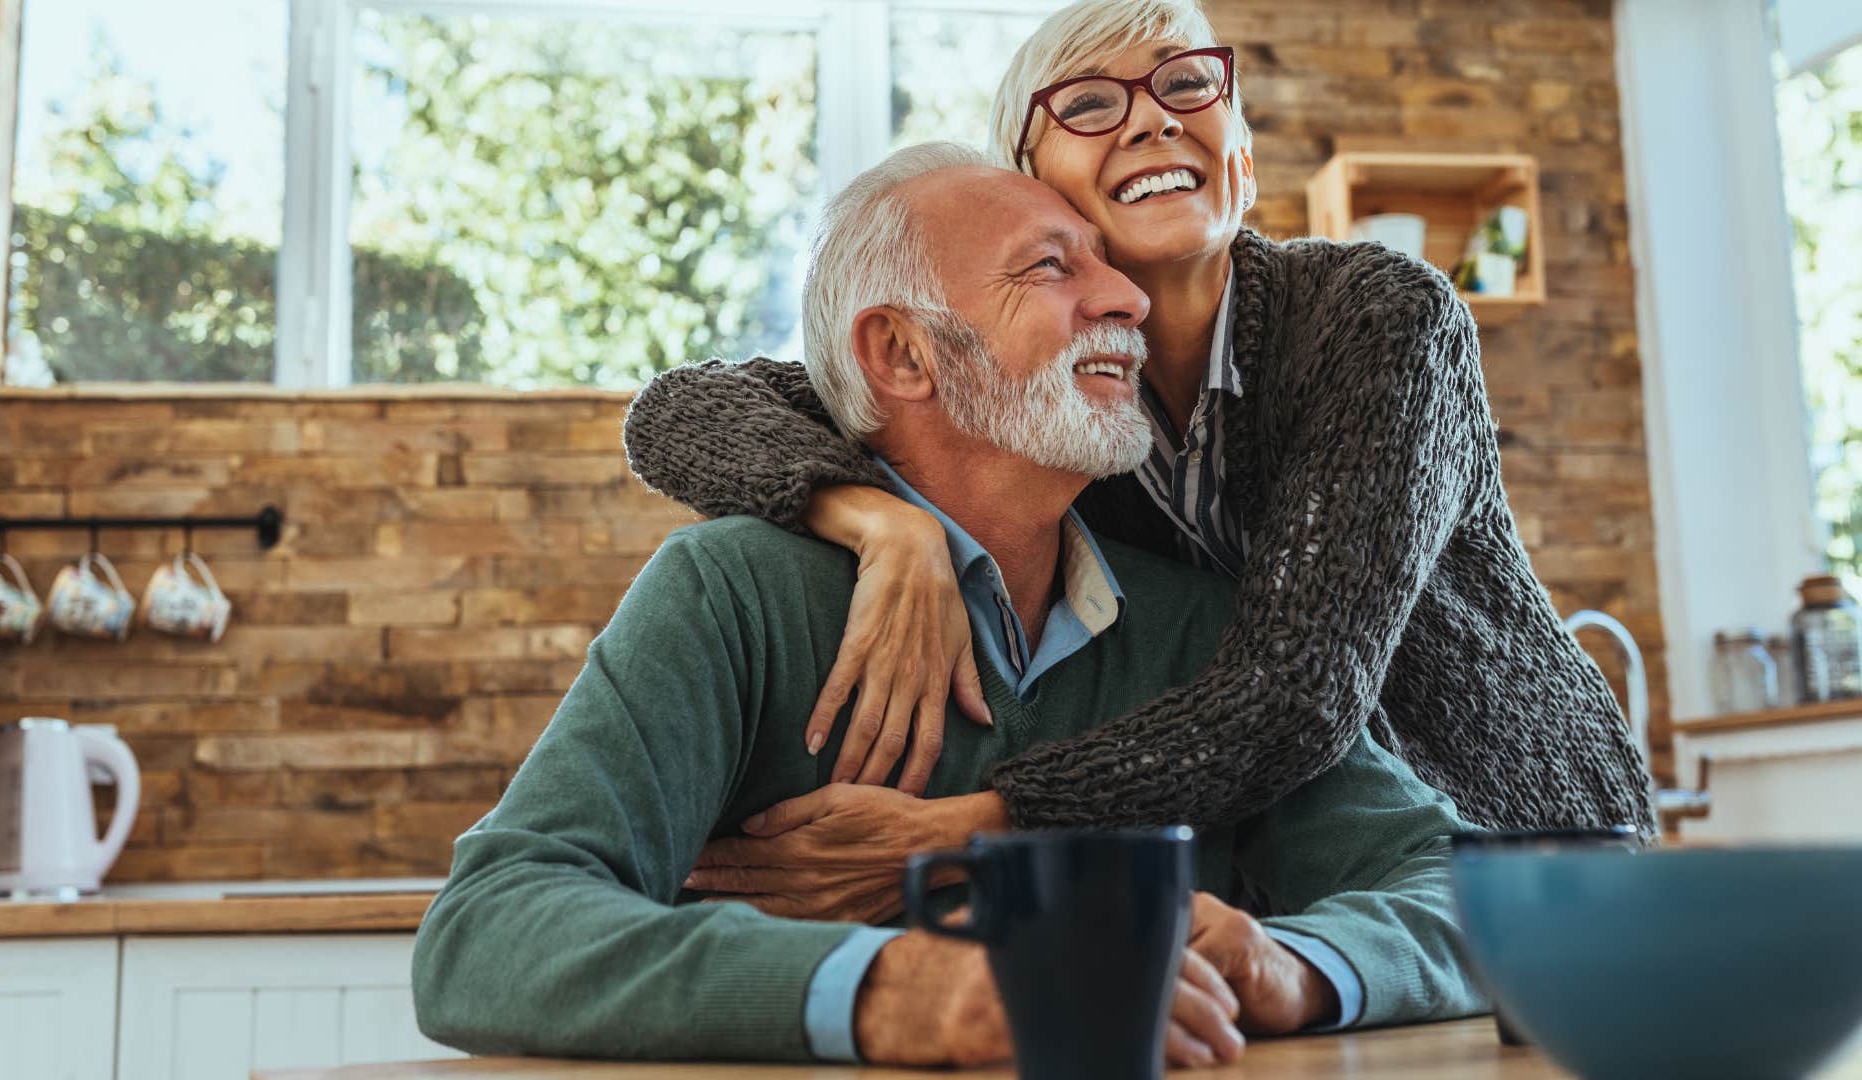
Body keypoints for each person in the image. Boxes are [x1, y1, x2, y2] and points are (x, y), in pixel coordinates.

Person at [411, 144, 1483, 1067]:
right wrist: (894, 988)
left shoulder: (1203, 628)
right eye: (1053, 267)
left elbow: (1462, 890)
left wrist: (1294, 961)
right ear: (901, 353)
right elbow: (488, 932)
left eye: (1107, 264)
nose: (1128, 299)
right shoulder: (731, 594)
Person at [620, 0, 1654, 869]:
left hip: (1522, 838)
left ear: (1242, 157)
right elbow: (682, 409)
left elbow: (1296, 693)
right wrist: (883, 522)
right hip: (1307, 865)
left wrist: (976, 831)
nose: (1155, 119)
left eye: (1188, 85)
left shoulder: (1380, 317)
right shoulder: (1050, 405)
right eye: (1088, 103)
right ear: (1030, 185)